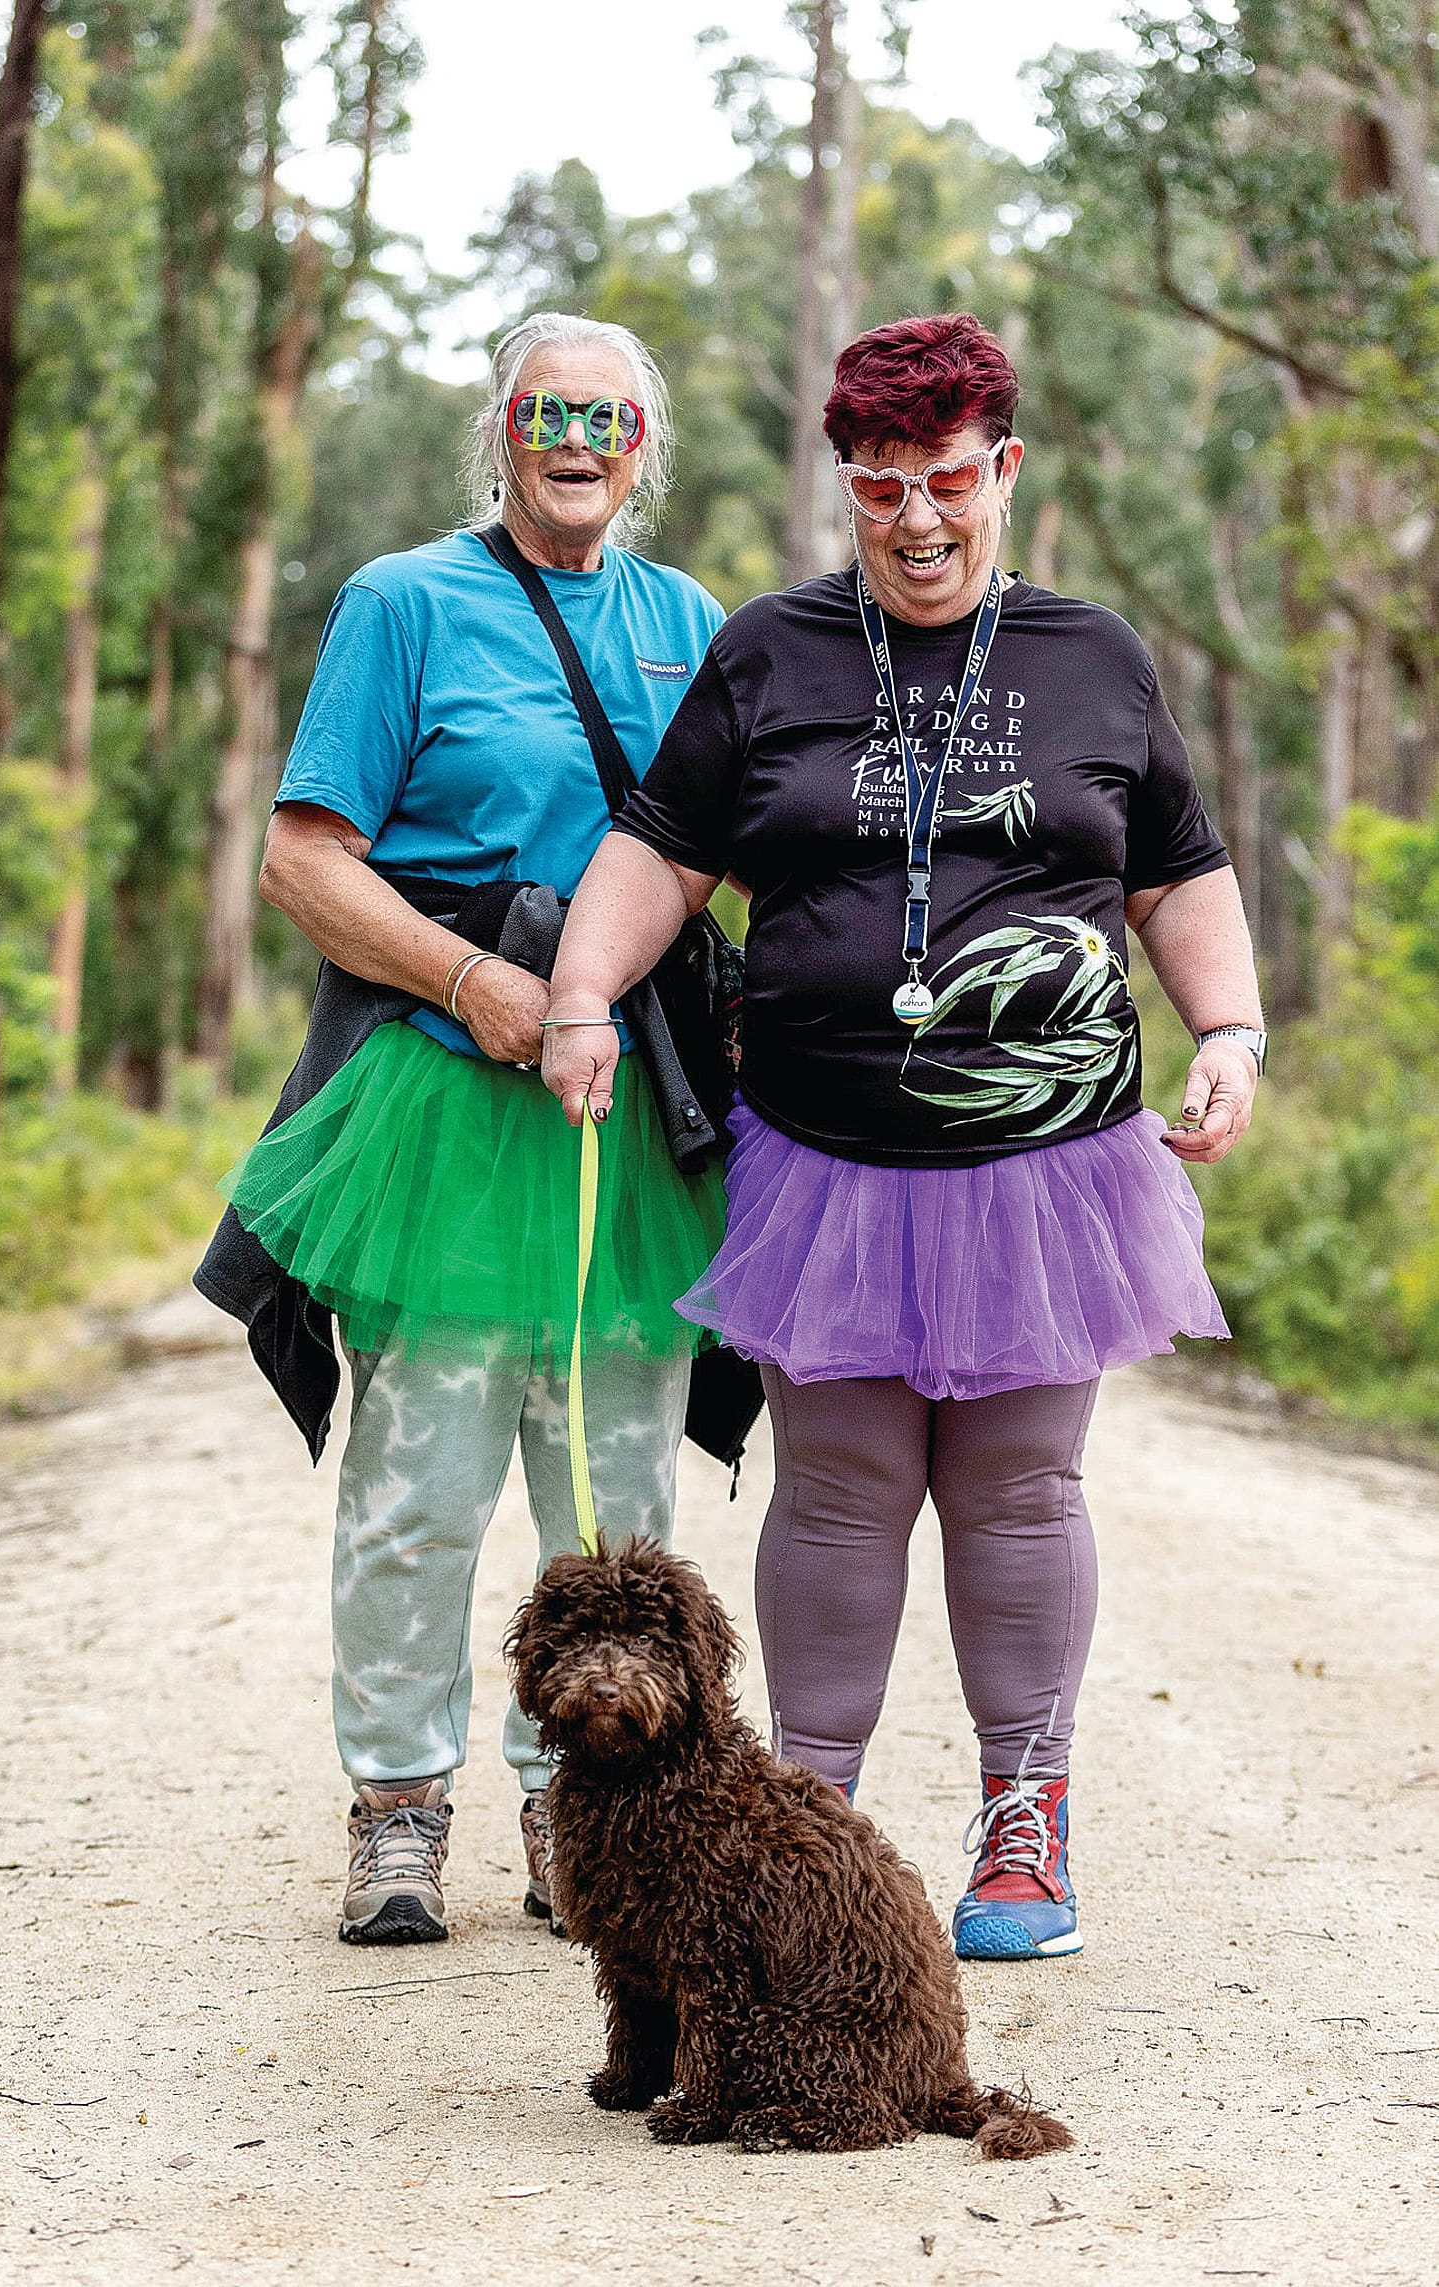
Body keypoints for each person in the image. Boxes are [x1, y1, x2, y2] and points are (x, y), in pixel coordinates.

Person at [542, 313, 1262, 1963]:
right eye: (879, 492)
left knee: (1019, 1491)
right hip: (825, 1150)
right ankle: (813, 1831)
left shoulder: (1095, 653)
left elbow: (1175, 867)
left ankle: (1026, 1825)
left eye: (945, 483)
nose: (916, 522)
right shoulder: (773, 655)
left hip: (1049, 1160)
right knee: (842, 1490)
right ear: (845, 487)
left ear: (1002, 469)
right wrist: (584, 997)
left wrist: (1230, 1030)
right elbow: (663, 851)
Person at [216, 312, 725, 1944]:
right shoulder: (402, 602)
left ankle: (573, 1809)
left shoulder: (691, 621)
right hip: (449, 1084)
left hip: (620, 1106)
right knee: (419, 1486)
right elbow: (304, 861)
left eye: (608, 418)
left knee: (616, 1496)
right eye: (543, 410)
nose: (576, 440)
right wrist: (473, 980)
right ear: (501, 430)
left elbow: (723, 849)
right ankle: (397, 1808)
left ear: (645, 447)